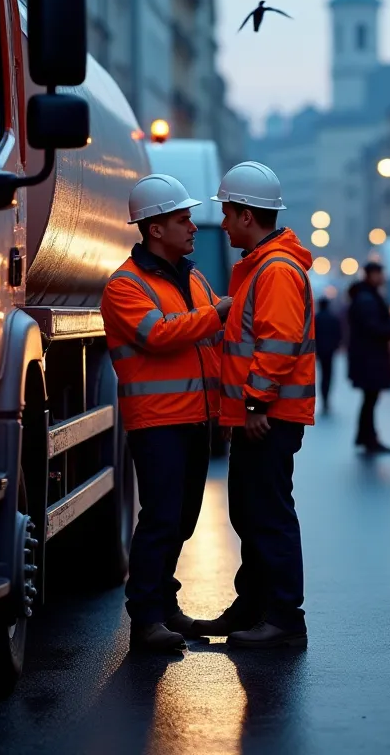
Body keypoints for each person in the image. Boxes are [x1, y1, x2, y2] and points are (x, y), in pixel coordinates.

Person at [101, 173, 232, 653]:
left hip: (197, 417)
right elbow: (157, 334)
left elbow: (211, 341)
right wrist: (217, 313)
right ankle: (145, 619)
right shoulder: (124, 287)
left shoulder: (194, 277)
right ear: (155, 229)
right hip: (156, 421)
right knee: (159, 519)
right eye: (183, 219)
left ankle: (166, 604)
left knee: (183, 519)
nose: (194, 226)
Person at [186, 161, 314, 649]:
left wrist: (257, 404)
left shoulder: (275, 270)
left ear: (246, 216)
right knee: (248, 510)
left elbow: (277, 342)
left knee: (268, 514)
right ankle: (252, 607)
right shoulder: (262, 266)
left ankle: (283, 618)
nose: (221, 224)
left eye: (226, 213)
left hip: (270, 416)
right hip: (257, 415)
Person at [347, 260, 390, 454]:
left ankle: (365, 436)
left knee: (369, 399)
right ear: (371, 275)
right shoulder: (367, 299)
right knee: (370, 399)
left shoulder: (366, 297)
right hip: (370, 359)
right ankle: (368, 437)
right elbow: (373, 328)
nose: (382, 278)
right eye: (379, 274)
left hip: (367, 357)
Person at [314, 296, 343, 413]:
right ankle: (327, 398)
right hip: (330, 351)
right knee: (328, 375)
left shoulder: (316, 318)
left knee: (322, 375)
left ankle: (324, 397)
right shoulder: (333, 318)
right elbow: (338, 334)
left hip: (320, 350)